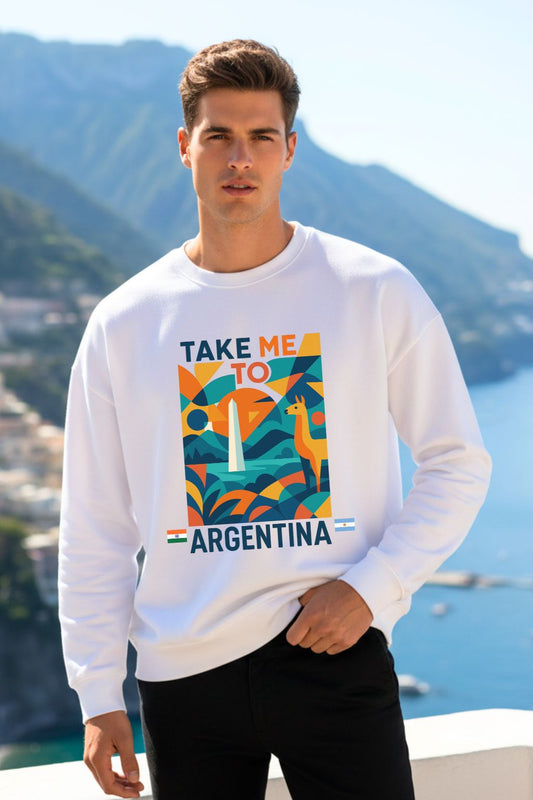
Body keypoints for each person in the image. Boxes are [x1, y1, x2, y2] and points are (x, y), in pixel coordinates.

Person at [58, 39, 491, 800]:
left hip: (335, 653)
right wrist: (97, 691)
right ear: (183, 146)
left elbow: (458, 459)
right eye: (219, 135)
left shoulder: (372, 290)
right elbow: (94, 521)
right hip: (185, 677)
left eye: (261, 137)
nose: (239, 159)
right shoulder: (126, 322)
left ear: (289, 150)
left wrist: (372, 589)